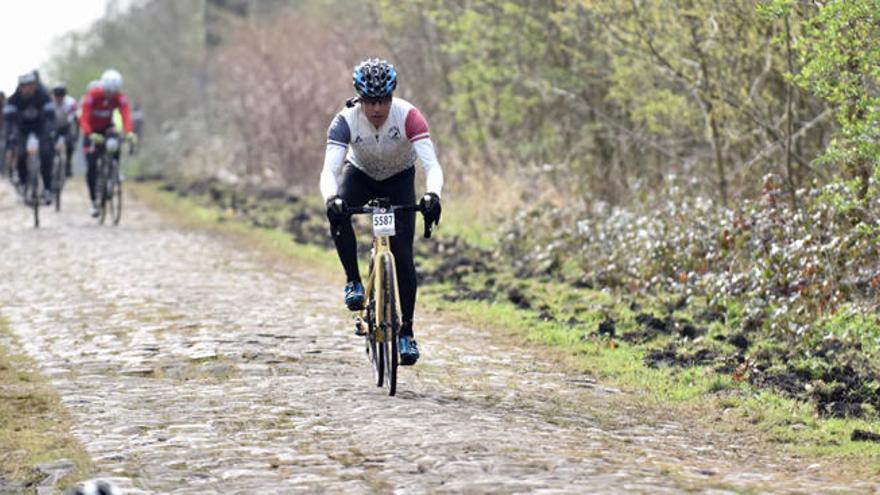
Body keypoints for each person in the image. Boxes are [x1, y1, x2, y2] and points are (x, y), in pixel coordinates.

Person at [319, 58, 443, 366]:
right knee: (338, 211)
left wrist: (432, 194)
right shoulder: (345, 120)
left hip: (399, 179)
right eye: (370, 101)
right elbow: (328, 171)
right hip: (359, 175)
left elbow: (432, 165)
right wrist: (332, 198)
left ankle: (407, 332)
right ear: (359, 99)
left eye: (383, 100)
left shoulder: (409, 116)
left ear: (392, 97)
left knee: (402, 253)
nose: (377, 108)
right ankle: (353, 281)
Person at [80, 69, 135, 217]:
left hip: (106, 128)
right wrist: (89, 133)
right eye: (107, 92)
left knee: (114, 142)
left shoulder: (119, 97)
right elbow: (84, 117)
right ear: (103, 87)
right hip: (91, 131)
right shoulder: (91, 96)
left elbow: (126, 114)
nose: (110, 95)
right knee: (91, 167)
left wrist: (129, 131)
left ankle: (114, 170)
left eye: (113, 92)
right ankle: (93, 201)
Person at [3, 72, 56, 203]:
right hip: (22, 131)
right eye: (25, 86)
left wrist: (50, 132)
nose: (28, 88)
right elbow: (8, 122)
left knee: (46, 154)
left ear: (35, 85)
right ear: (20, 87)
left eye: (31, 85)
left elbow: (51, 117)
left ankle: (48, 188)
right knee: (20, 154)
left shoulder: (43, 96)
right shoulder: (13, 100)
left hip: (40, 129)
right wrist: (9, 136)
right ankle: (23, 182)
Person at [52, 84, 78, 177]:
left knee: (69, 144)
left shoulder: (71, 103)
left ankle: (68, 165)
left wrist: (75, 136)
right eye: (56, 97)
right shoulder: (50, 102)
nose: (59, 99)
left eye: (61, 97)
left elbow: (75, 120)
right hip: (53, 126)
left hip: (65, 126)